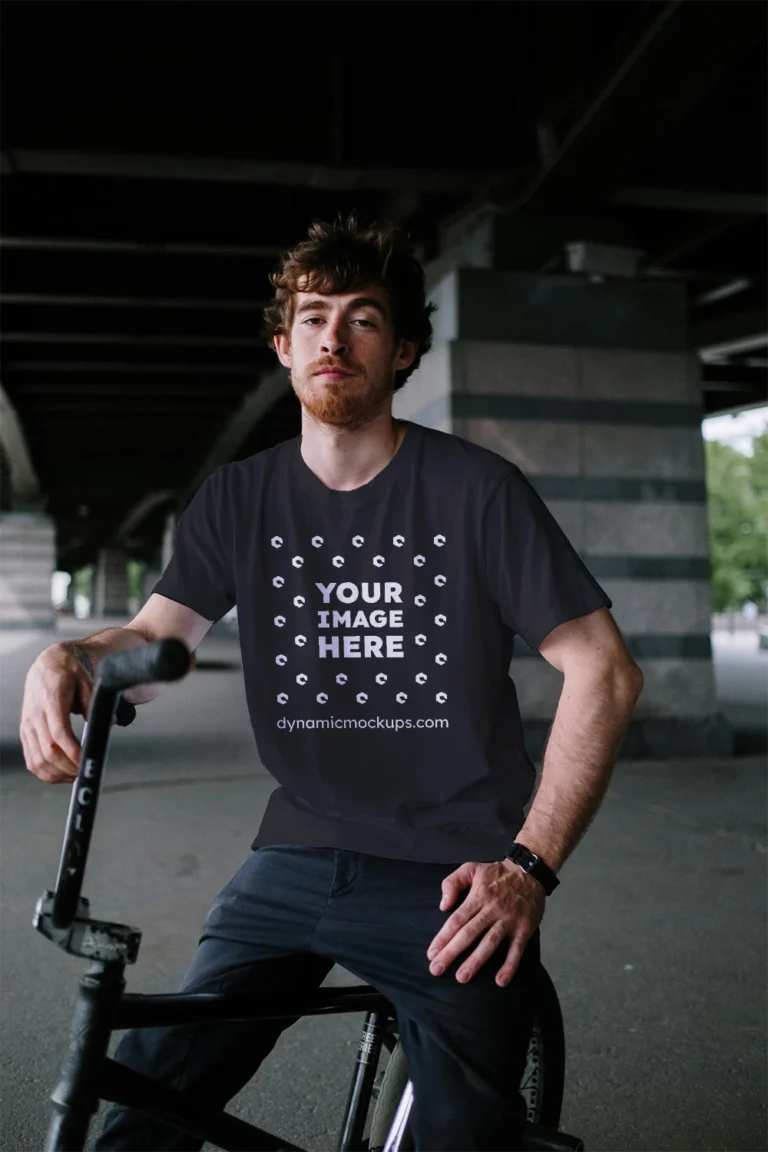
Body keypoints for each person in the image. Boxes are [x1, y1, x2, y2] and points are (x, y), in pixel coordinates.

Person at [21, 216, 644, 1151]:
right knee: (142, 1099)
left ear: (402, 352)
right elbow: (159, 643)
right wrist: (66, 658)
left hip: (455, 871)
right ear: (284, 346)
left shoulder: (477, 492)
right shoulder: (239, 498)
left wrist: (529, 867)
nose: (332, 337)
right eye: (313, 317)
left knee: (462, 1135)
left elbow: (605, 669)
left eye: (362, 319)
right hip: (297, 852)